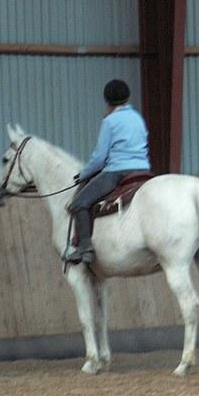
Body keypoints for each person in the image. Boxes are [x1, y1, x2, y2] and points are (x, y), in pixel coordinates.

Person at [65, 79, 151, 264]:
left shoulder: (110, 121)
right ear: (127, 98)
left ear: (108, 100)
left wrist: (84, 174)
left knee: (79, 202)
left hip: (118, 172)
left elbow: (99, 158)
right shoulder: (137, 118)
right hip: (143, 170)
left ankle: (85, 247)